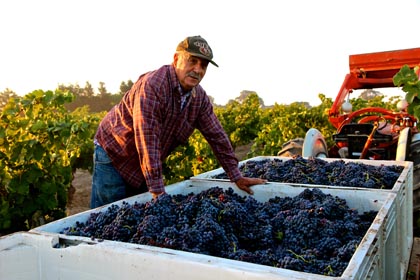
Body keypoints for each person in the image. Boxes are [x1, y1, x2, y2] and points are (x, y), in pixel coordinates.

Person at [90, 35, 266, 208]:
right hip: (114, 153)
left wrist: (236, 176)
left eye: (203, 65)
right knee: (108, 214)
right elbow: (147, 139)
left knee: (137, 214)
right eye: (192, 61)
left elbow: (217, 136)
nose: (198, 70)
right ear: (176, 59)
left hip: (144, 162)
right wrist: (158, 192)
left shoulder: (199, 98)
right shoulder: (153, 86)